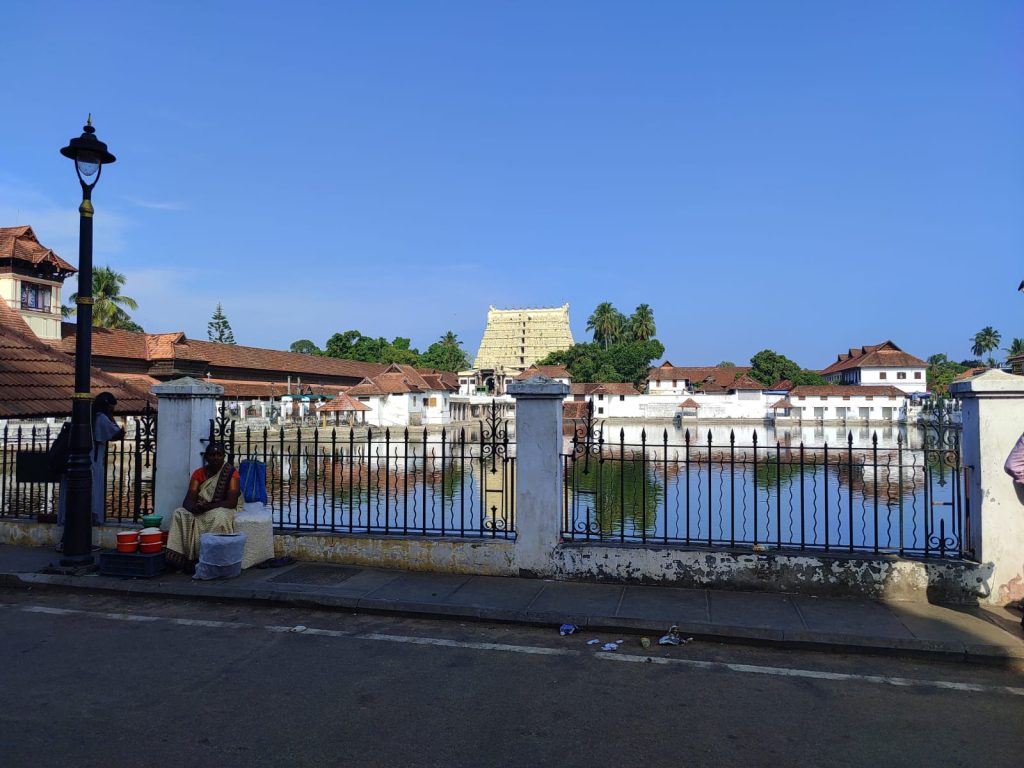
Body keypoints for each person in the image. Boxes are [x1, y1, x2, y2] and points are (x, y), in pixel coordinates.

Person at [56, 391, 125, 551]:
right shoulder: (100, 418)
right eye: (111, 407)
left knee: (72, 503)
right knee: (86, 503)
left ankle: (66, 541)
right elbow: (117, 433)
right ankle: (77, 542)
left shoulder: (85, 415)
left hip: (74, 464)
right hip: (89, 466)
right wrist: (110, 414)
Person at [165, 442, 243, 572]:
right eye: (212, 455)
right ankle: (182, 561)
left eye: (219, 454)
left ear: (224, 456)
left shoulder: (231, 474)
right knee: (179, 513)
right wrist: (194, 509)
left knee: (219, 517)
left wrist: (209, 507)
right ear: (206, 457)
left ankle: (213, 560)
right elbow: (188, 499)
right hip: (202, 507)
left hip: (222, 507)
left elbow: (231, 502)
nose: (216, 458)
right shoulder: (198, 474)